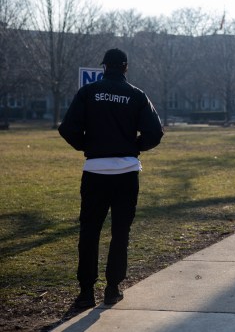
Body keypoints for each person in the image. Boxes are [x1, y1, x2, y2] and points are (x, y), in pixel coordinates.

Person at [58, 48, 164, 308]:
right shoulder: (137, 95)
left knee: (90, 231)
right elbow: (155, 132)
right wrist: (134, 147)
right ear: (125, 67)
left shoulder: (88, 93)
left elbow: (67, 128)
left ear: (104, 67)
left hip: (95, 172)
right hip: (126, 173)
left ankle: (85, 293)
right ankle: (112, 289)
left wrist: (88, 146)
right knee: (120, 232)